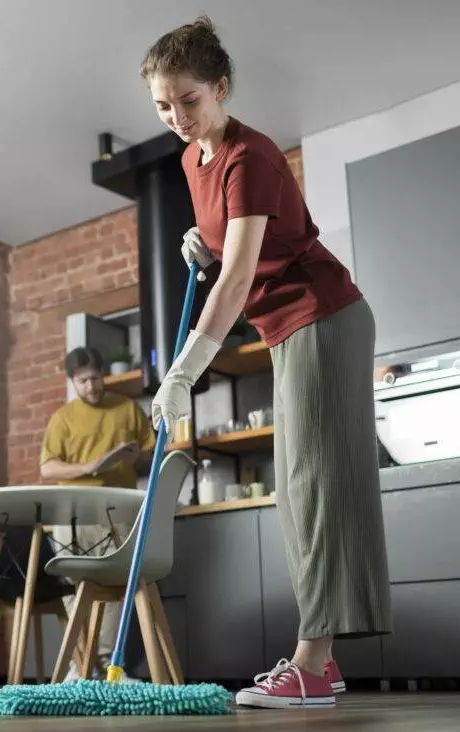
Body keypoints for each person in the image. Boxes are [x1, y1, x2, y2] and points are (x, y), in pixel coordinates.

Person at [140, 17, 391, 709]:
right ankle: (324, 665)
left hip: (325, 316)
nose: (177, 117)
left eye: (188, 100)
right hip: (287, 329)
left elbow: (241, 276)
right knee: (299, 486)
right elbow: (233, 244)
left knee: (315, 484)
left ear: (221, 88)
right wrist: (204, 236)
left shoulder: (251, 157)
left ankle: (311, 664)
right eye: (163, 106)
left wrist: (185, 369)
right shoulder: (195, 162)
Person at [40, 346, 156, 681]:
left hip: (118, 510)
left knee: (115, 586)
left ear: (103, 374)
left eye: (95, 378)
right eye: (82, 381)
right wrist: (90, 466)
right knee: (72, 586)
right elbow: (47, 467)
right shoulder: (62, 418)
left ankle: (109, 666)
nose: (91, 386)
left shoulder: (126, 408)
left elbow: (151, 450)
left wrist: (133, 457)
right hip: (71, 512)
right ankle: (81, 664)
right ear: (72, 382)